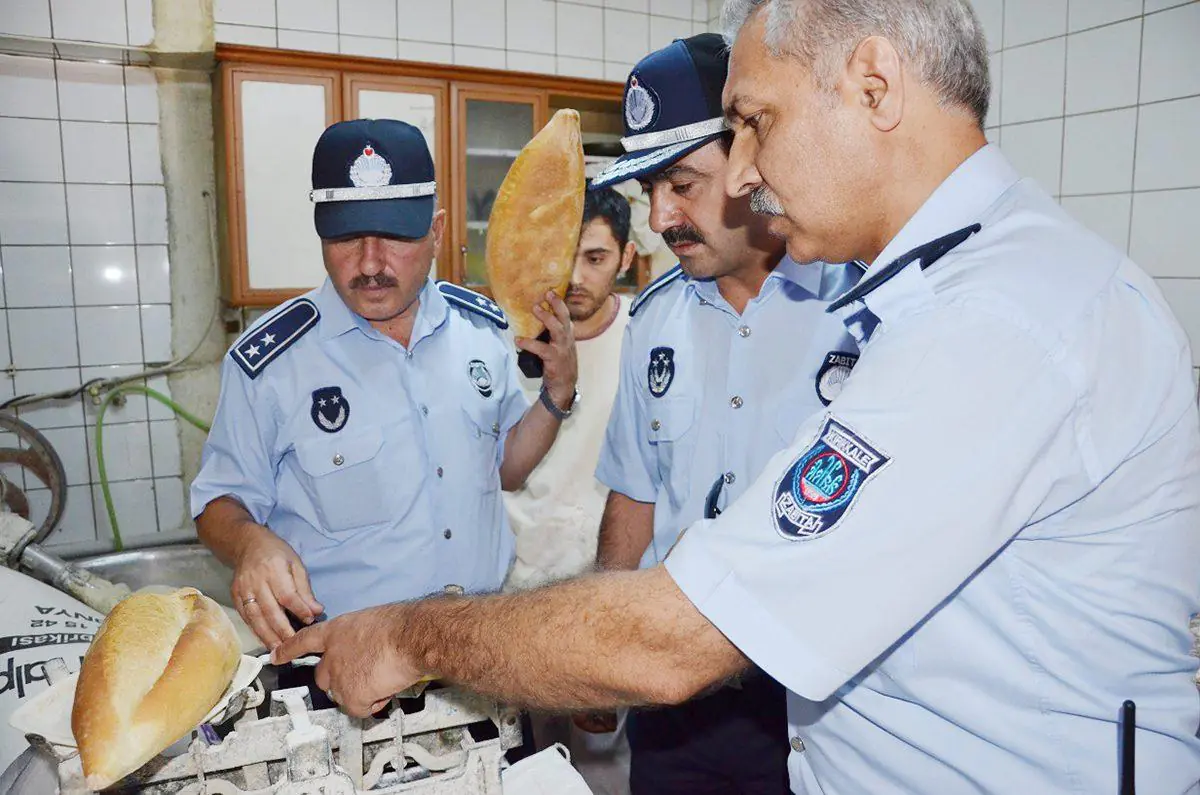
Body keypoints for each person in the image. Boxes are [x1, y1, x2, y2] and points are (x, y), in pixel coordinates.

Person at [276, 3, 1200, 792]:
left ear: (874, 86)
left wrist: (413, 633)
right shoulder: (937, 298)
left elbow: (678, 639)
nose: (747, 170)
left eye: (758, 121)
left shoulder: (1002, 320)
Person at [191, 118, 580, 656]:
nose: (369, 264)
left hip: (482, 648)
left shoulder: (481, 330)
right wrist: (249, 543)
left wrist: (557, 394)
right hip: (346, 671)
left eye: (395, 236)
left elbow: (507, 469)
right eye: (347, 238)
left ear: (437, 232)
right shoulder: (273, 362)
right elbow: (218, 501)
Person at [586, 33, 860, 794]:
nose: (661, 216)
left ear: (755, 156)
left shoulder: (857, 305)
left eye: (682, 182)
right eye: (649, 191)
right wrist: (606, 647)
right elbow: (635, 495)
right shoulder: (655, 320)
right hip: (675, 705)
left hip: (816, 702)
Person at [503, 185, 637, 795]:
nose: (576, 278)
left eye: (596, 257)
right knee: (522, 767)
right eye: (565, 257)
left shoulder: (648, 341)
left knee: (607, 772)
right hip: (513, 595)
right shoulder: (503, 344)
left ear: (627, 258)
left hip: (607, 594)